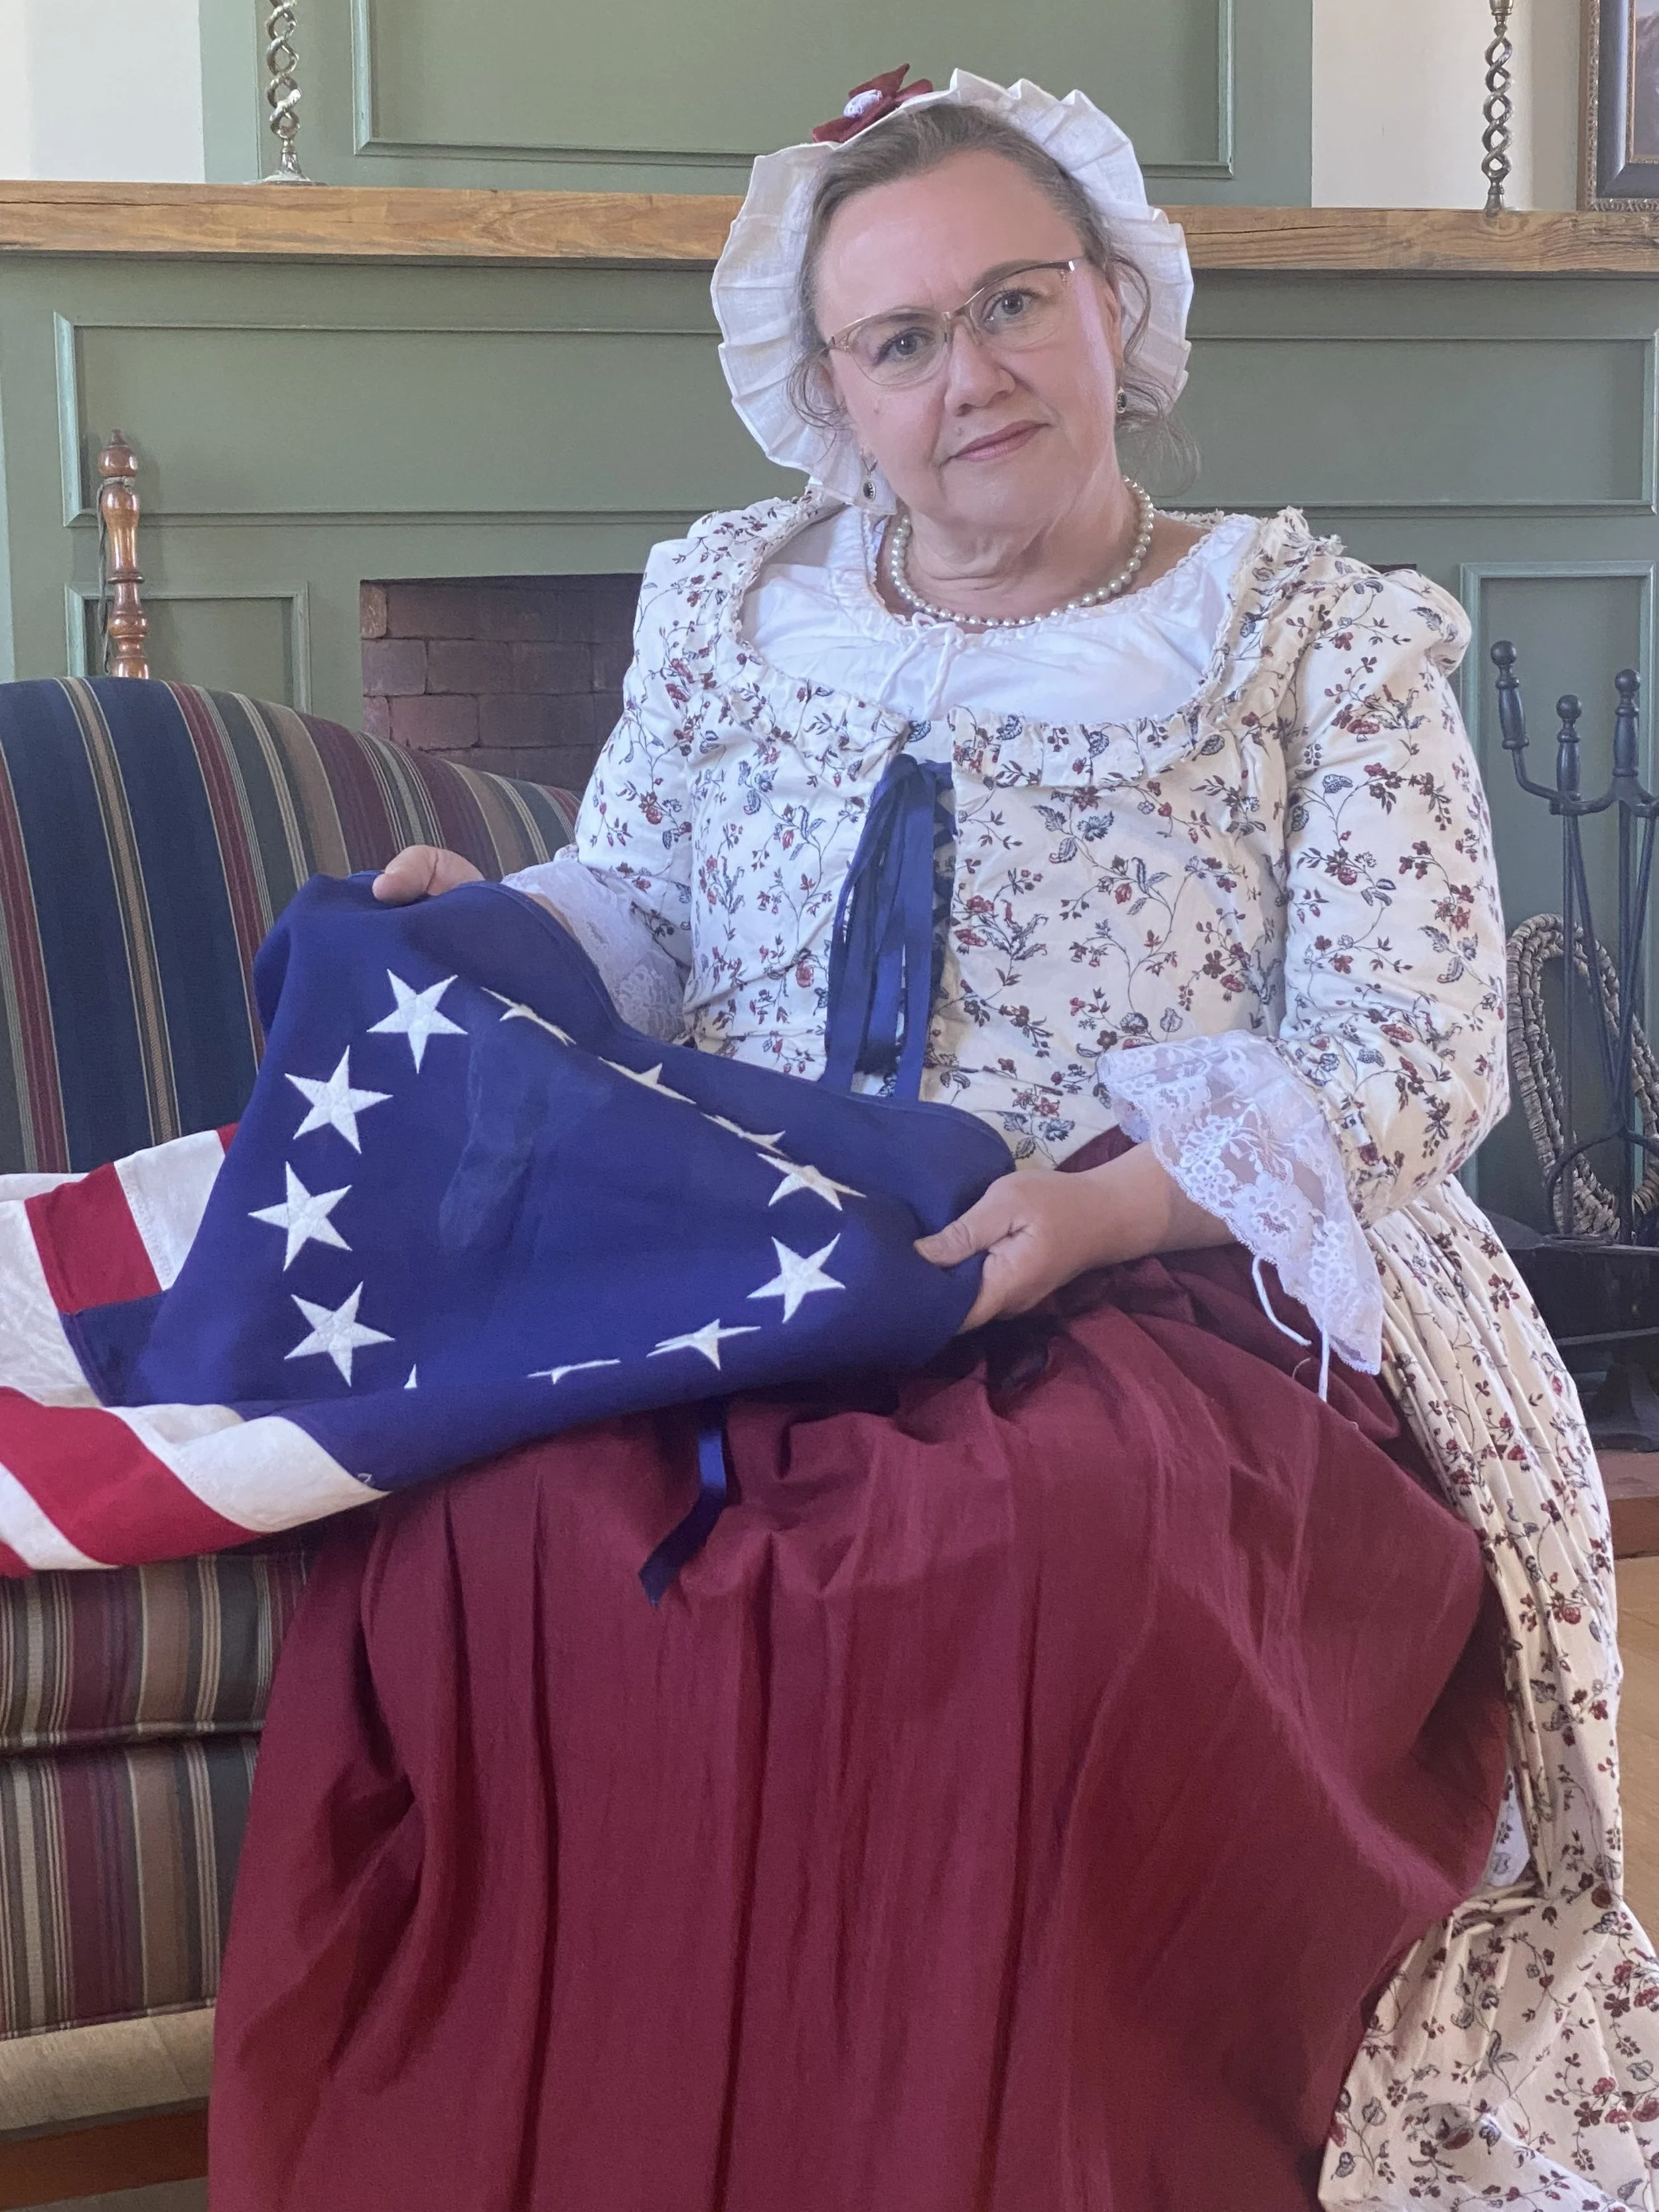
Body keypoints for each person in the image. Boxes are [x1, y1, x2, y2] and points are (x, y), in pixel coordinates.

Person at [206, 71, 1658, 2212]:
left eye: (1012, 303)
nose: (967, 377)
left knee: (1017, 1562)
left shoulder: (1312, 640)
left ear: (1115, 314)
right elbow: (650, 913)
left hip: (1194, 1255)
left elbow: (1405, 1053)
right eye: (901, 341)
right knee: (504, 1530)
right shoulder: (730, 602)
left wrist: (1097, 1210)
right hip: (765, 1226)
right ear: (828, 393)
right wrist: (492, 924)